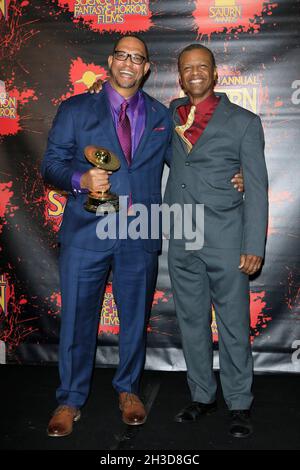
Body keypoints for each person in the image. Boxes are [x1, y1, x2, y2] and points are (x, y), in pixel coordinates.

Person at [42, 35, 244, 437]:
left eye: (138, 58)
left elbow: (190, 160)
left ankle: (128, 390)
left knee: (134, 320)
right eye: (123, 55)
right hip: (87, 231)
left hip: (141, 231)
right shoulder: (76, 109)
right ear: (111, 60)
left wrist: (231, 175)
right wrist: (81, 178)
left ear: (147, 68)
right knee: (78, 320)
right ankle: (70, 399)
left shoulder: (161, 115)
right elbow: (51, 165)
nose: (129, 63)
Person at [164, 44, 268, 438]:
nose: (194, 73)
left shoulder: (244, 121)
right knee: (191, 321)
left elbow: (256, 187)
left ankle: (239, 402)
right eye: (187, 67)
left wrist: (253, 245)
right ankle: (202, 395)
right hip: (181, 235)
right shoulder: (169, 114)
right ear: (179, 75)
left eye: (201, 66)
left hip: (226, 238)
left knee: (234, 325)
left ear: (214, 73)